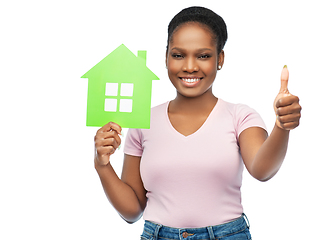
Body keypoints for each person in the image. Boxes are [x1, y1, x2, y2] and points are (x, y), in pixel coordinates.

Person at [94, 6, 301, 240]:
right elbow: (132, 211)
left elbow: (262, 170)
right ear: (166, 57)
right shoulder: (143, 123)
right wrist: (102, 165)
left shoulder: (240, 117)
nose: (190, 66)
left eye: (203, 55)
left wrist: (282, 127)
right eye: (178, 55)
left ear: (219, 58)